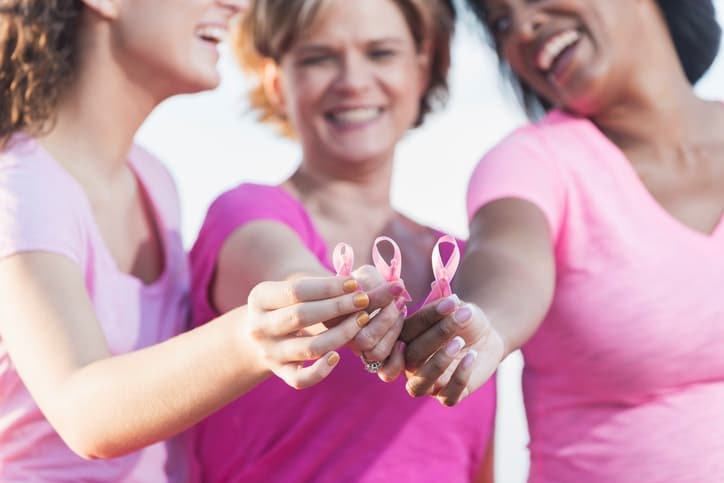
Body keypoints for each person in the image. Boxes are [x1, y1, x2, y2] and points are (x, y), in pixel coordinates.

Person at [0, 0, 395, 480]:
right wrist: (253, 336)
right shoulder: (19, 189)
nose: (238, 5)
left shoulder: (153, 180)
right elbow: (84, 412)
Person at [401, 0, 724, 482]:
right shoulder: (532, 164)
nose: (524, 27)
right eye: (502, 23)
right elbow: (507, 260)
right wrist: (482, 323)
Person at [188, 0, 496, 481]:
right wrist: (348, 301)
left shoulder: (462, 261)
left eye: (380, 53)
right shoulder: (246, 215)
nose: (352, 80)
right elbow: (290, 279)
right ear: (276, 83)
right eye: (318, 57)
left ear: (421, 68)